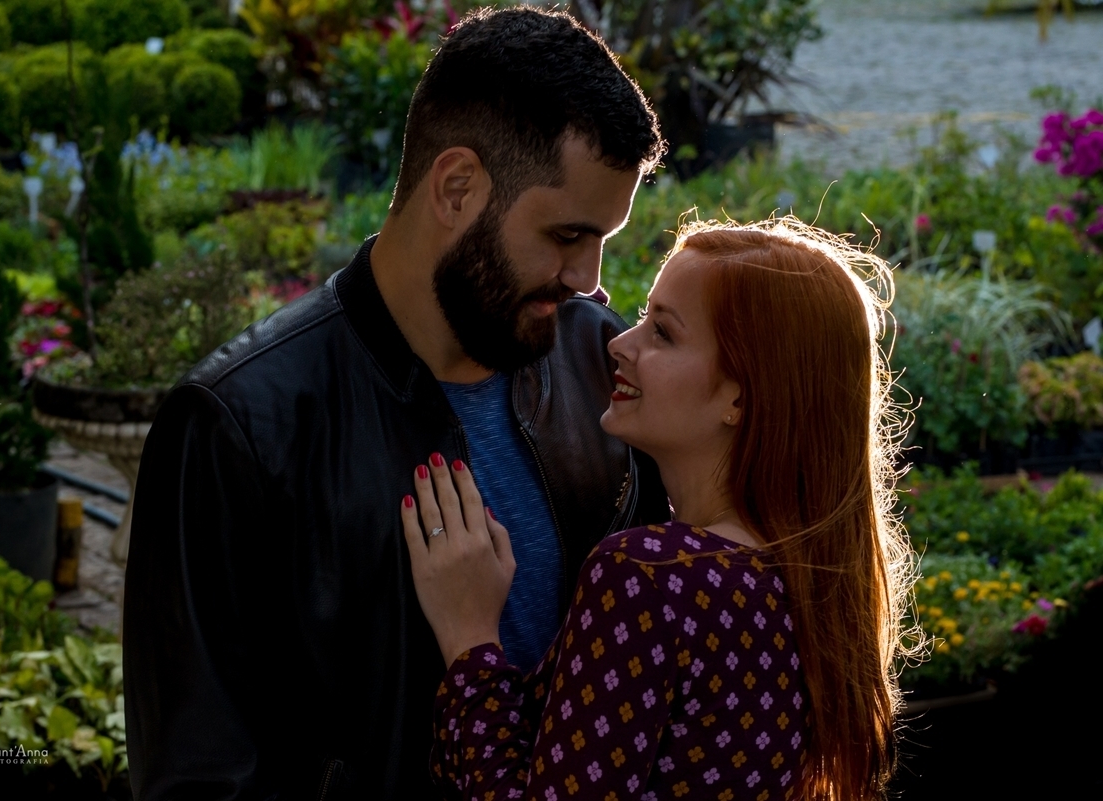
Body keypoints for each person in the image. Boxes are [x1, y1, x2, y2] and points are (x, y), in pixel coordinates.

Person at [123, 7, 668, 799]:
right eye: (565, 235)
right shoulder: (238, 425)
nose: (588, 277)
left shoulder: (596, 357)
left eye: (604, 241)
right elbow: (197, 775)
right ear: (456, 187)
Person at [403, 218, 915, 800]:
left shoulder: (650, 576)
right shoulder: (812, 581)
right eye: (644, 318)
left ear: (739, 396)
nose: (620, 344)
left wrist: (470, 641)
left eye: (664, 333)